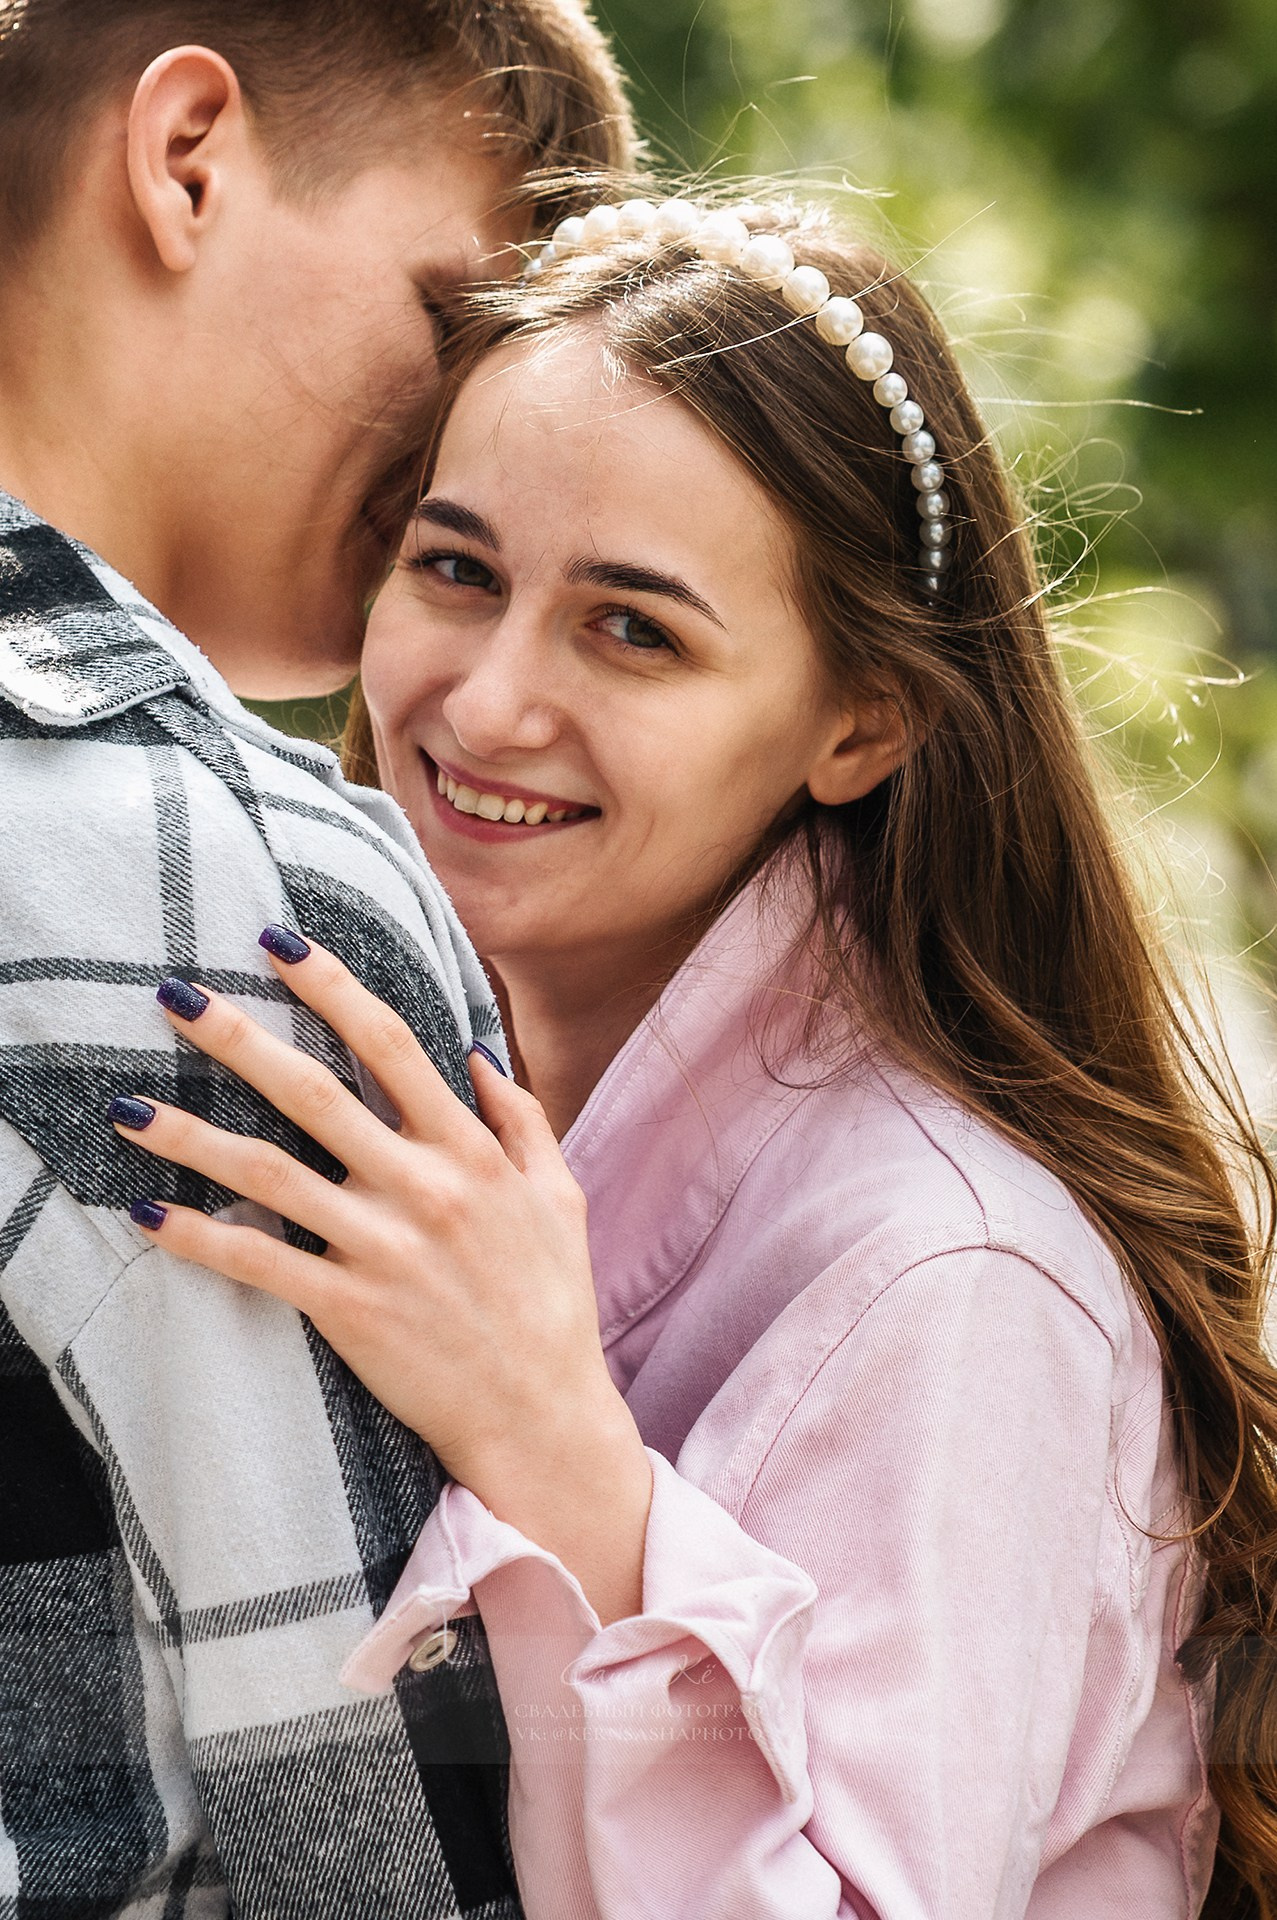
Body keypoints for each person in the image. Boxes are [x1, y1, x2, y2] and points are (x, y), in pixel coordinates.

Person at [110, 192, 1277, 1917]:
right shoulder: (432, 1115)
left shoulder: (947, 1271)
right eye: (457, 568)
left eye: (633, 628)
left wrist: (559, 1456)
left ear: (856, 723)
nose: (489, 701)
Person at [0, 4, 634, 1913]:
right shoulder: (234, 886)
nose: (474, 435)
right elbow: (371, 1852)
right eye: (457, 320)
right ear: (187, 154)